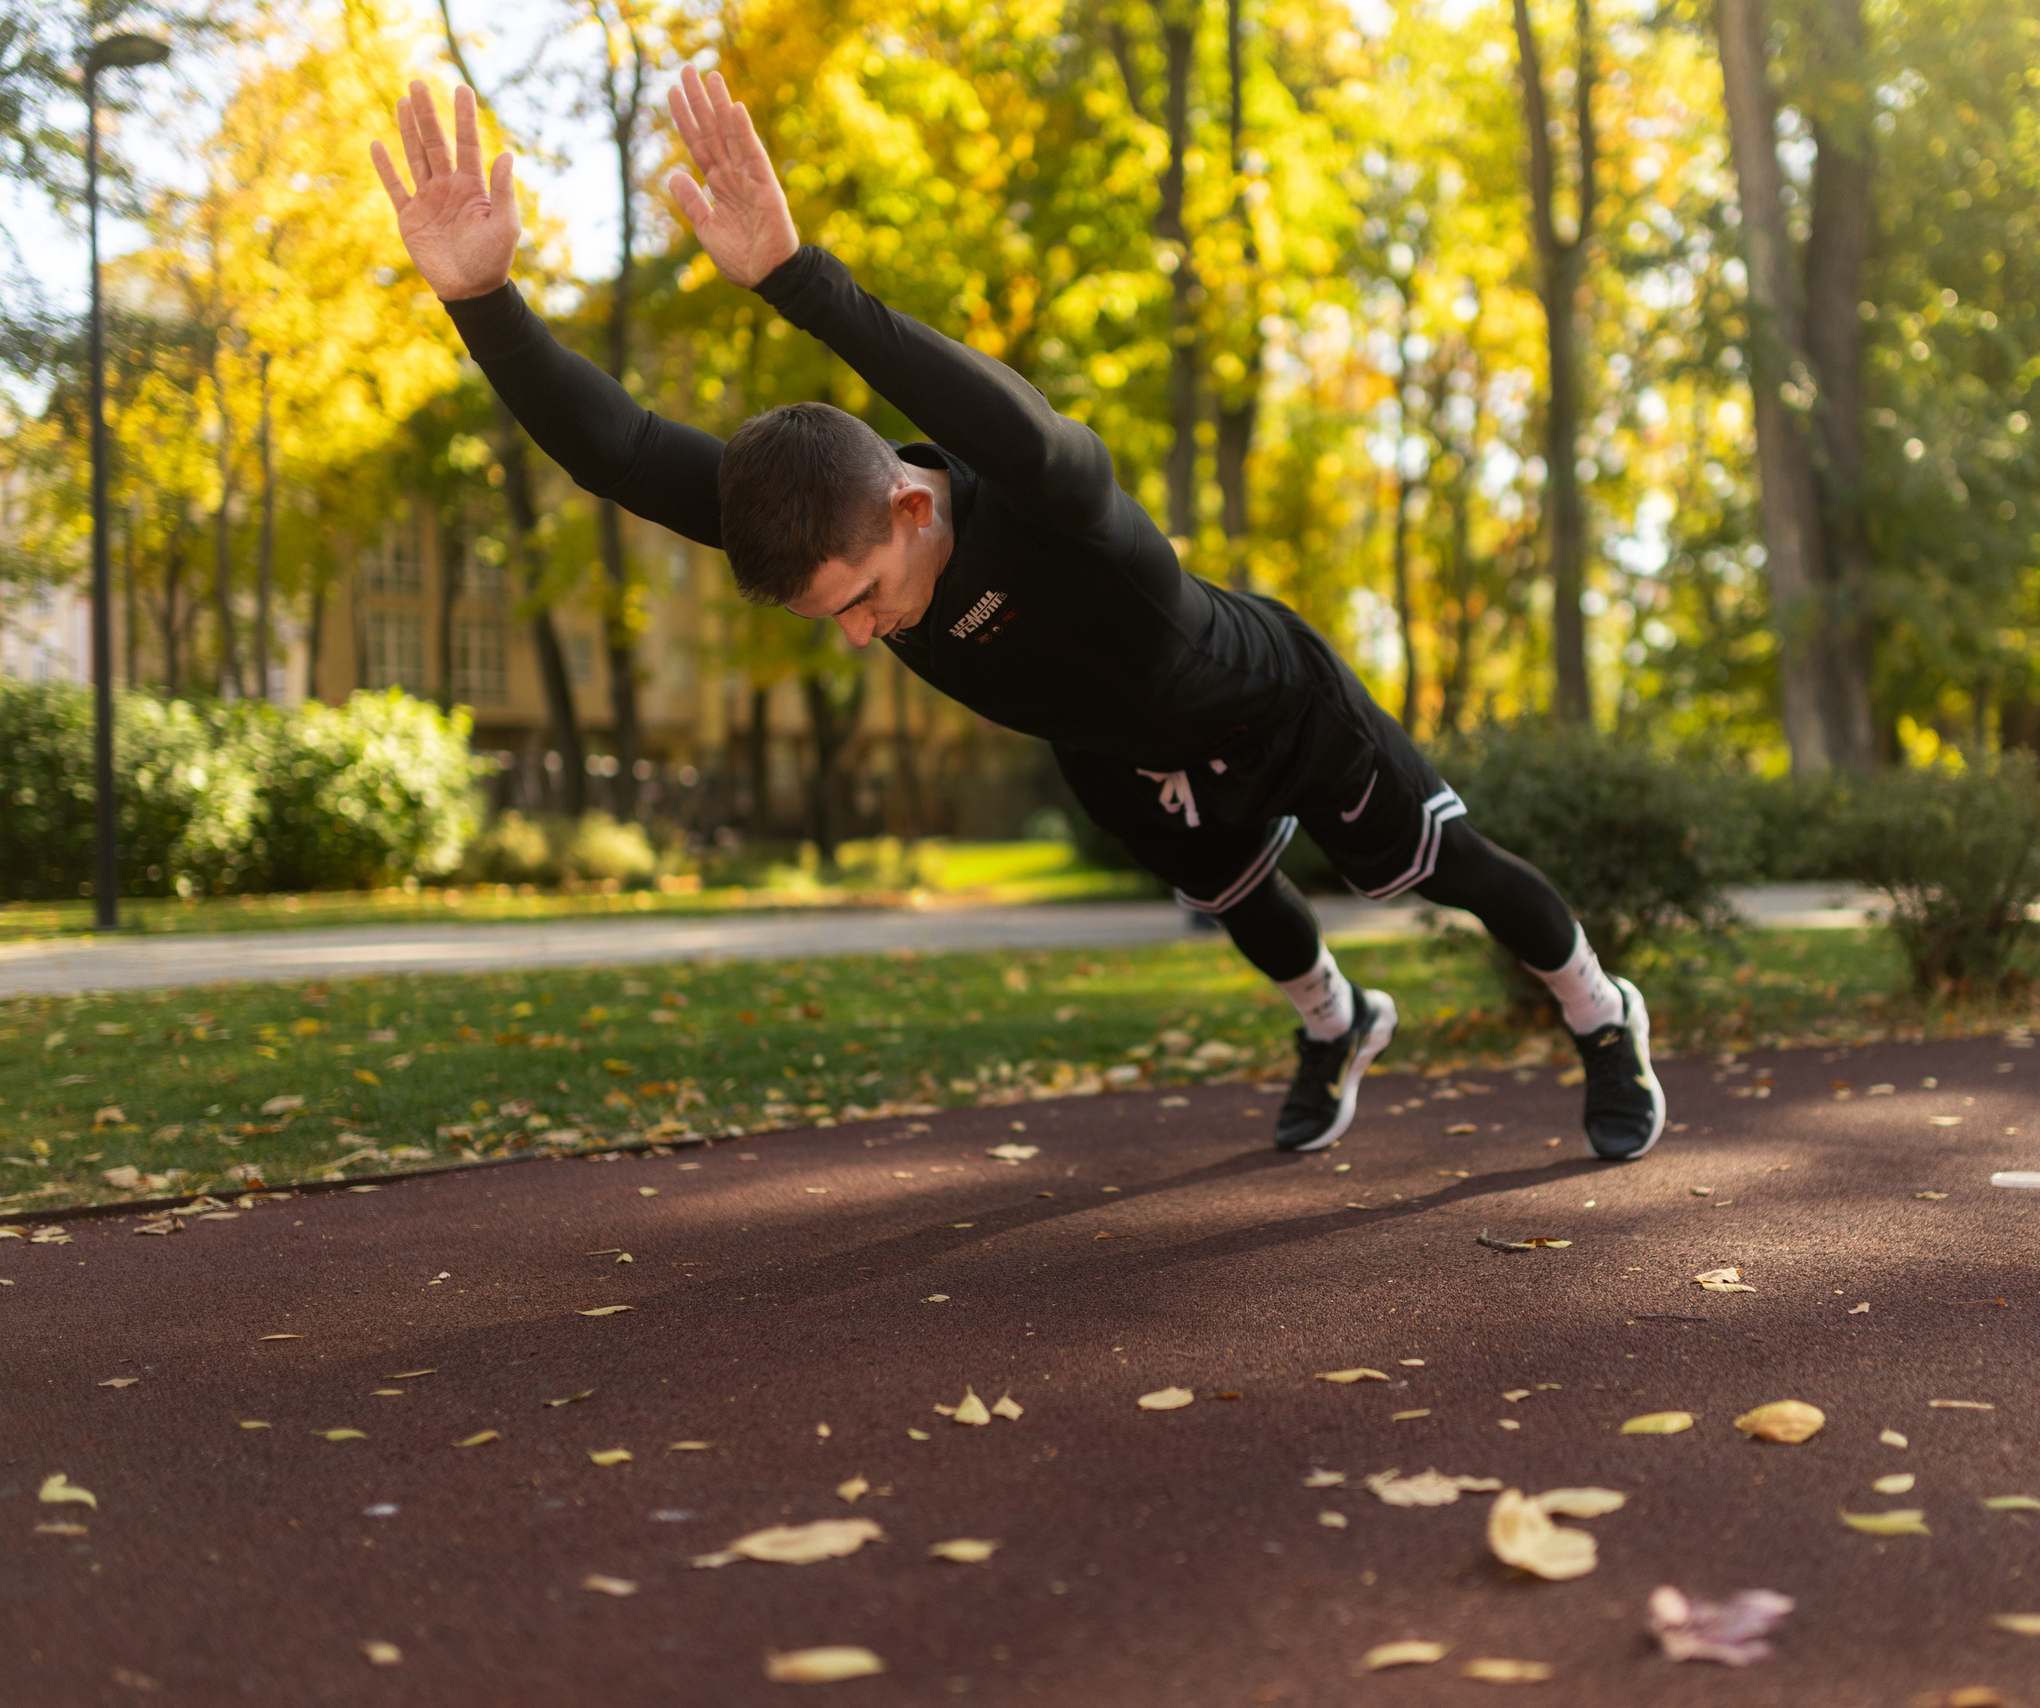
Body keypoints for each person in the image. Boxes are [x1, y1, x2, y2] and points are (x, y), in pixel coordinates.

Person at [371, 72, 1666, 1160]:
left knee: (1452, 871)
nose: (862, 635)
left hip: (1276, 702)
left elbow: (1015, 421)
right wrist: (484, 303)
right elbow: (620, 451)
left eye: (865, 601)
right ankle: (1338, 1024)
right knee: (1251, 910)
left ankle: (1603, 1018)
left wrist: (796, 278)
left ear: (916, 512)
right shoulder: (824, 517)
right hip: (1112, 753)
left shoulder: (1056, 504)